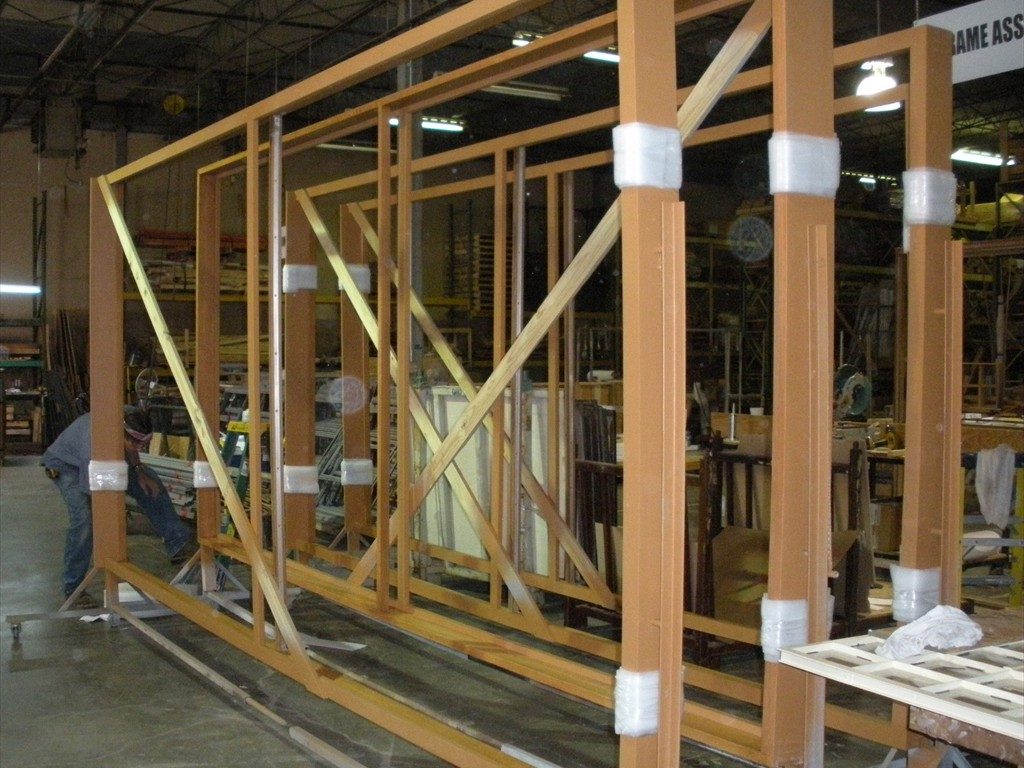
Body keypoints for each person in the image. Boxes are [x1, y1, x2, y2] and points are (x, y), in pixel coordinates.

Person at [42, 407, 196, 607]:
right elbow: (96, 494)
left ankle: (178, 544)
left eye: (144, 443)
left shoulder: (129, 416)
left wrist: (139, 472)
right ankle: (74, 588)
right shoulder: (94, 440)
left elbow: (131, 451)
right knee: (85, 520)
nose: (138, 447)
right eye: (134, 442)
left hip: (106, 455)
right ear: (120, 432)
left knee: (151, 482)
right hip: (67, 464)